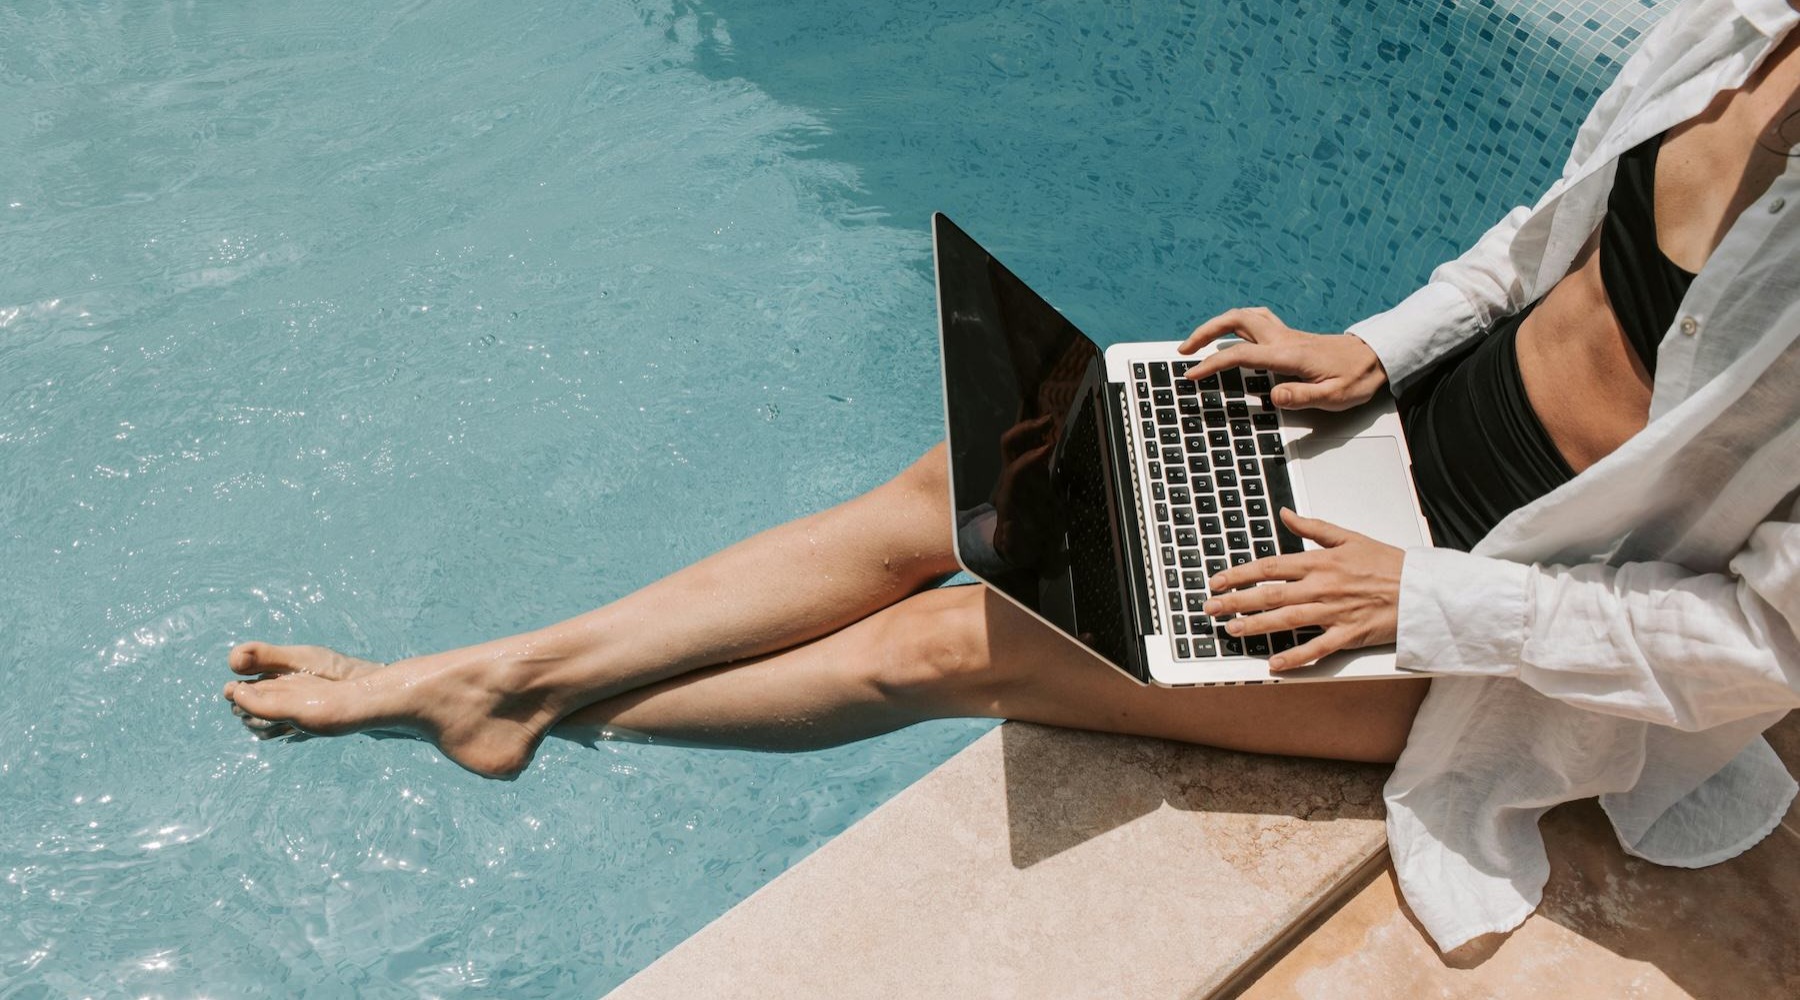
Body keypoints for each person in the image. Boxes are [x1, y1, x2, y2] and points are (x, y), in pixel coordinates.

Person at [224, 0, 1800, 951]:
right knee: (965, 482)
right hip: (1394, 441)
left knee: (960, 641)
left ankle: (513, 708)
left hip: (1498, 621)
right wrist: (1378, 349)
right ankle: (496, 680)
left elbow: (1765, 644)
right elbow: (1553, 232)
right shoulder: (1742, 24)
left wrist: (1424, 595)